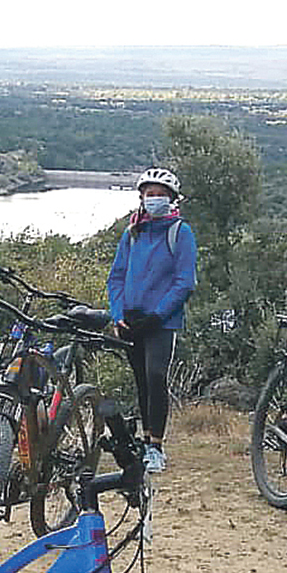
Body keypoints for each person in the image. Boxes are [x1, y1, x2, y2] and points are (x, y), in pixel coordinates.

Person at [106, 167, 198, 474]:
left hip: (161, 322)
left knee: (156, 377)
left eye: (161, 195)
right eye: (150, 194)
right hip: (131, 319)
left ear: (172, 199)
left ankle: (156, 446)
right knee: (141, 381)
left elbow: (185, 282)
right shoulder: (132, 232)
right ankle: (145, 440)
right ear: (142, 197)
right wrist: (117, 315)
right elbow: (117, 276)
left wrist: (158, 316)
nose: (155, 199)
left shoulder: (179, 232)